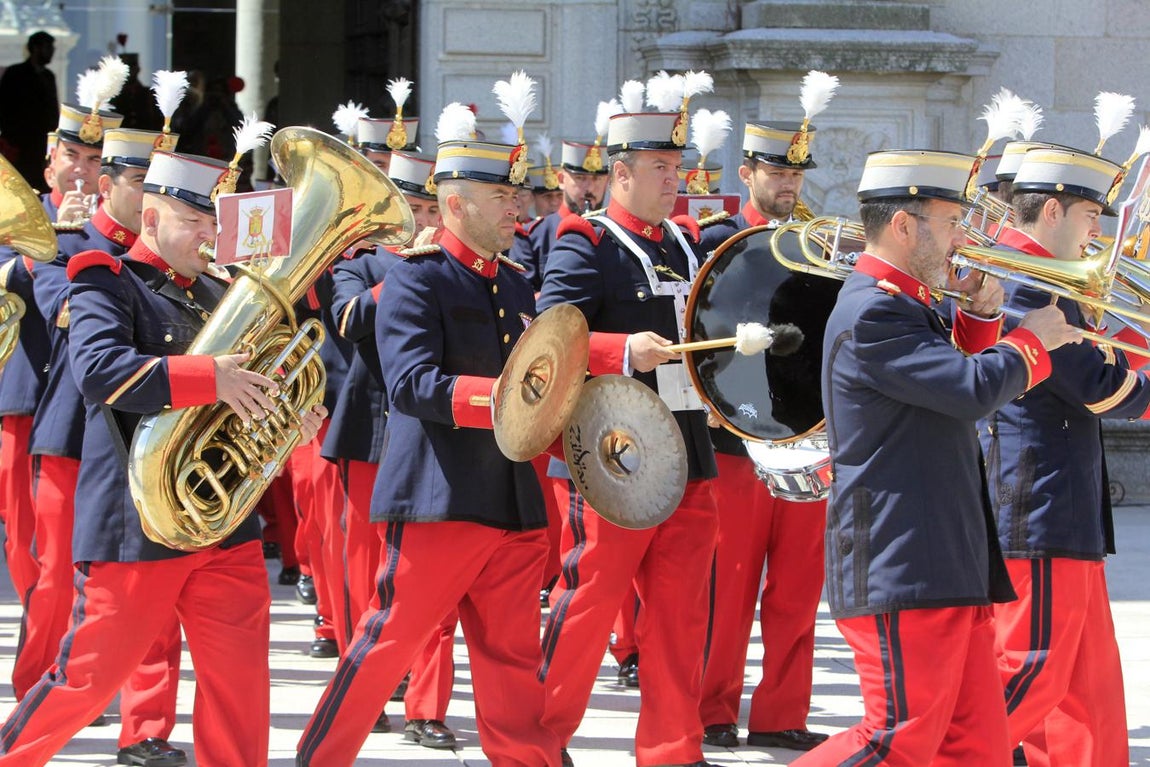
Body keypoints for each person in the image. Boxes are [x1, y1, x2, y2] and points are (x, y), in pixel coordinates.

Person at [0, 149, 325, 765]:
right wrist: (209, 377)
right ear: (150, 219)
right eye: (191, 221)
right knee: (86, 679)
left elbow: (242, 398)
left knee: (240, 689)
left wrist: (287, 418)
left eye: (213, 224)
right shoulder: (104, 276)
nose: (208, 236)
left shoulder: (219, 292)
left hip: (223, 527)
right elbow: (98, 371)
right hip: (136, 523)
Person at [791, 149, 1080, 765]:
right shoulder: (874, 309)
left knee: (975, 746)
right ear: (903, 226)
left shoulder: (905, 302)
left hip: (943, 554)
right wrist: (1032, 342)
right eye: (950, 223)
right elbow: (970, 390)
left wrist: (981, 317)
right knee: (896, 739)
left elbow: (945, 391)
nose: (961, 239)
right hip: (902, 558)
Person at [295, 123, 561, 767]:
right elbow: (412, 385)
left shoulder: (519, 283)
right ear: (454, 205)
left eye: (516, 195)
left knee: (515, 666)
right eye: (501, 198)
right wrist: (503, 401)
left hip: (512, 500)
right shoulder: (416, 279)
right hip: (438, 499)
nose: (517, 207)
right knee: (386, 646)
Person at [536, 84, 724, 767]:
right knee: (588, 605)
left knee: (682, 614)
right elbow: (548, 339)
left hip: (688, 450)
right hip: (612, 451)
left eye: (676, 169)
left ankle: (676, 748)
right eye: (660, 169)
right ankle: (540, 739)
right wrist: (619, 351)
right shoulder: (585, 240)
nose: (674, 182)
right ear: (620, 173)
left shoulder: (687, 239)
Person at [18, 128, 187, 766]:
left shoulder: (180, 266)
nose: (152, 196)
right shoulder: (68, 246)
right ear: (110, 183)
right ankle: (37, 693)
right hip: (72, 432)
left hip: (155, 439)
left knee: (159, 589)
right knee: (56, 577)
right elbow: (65, 314)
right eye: (140, 182)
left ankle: (145, 727)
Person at [978, 145, 1150, 767]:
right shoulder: (1024, 281)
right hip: (1039, 503)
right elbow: (1095, 383)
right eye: (1088, 215)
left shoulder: (1044, 278)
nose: (1097, 232)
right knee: (1033, 670)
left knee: (1088, 686)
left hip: (1064, 501)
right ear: (1051, 210)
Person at [697, 119, 830, 752]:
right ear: (746, 173)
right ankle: (712, 707)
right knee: (730, 584)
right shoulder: (720, 241)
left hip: (803, 432)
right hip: (736, 437)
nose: (788, 184)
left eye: (796, 174)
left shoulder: (817, 244)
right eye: (777, 172)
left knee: (798, 588)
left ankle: (782, 711)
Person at [323, 147, 458, 745]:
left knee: (431, 576)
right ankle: (366, 690)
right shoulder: (359, 263)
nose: (426, 220)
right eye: (414, 208)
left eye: (434, 207)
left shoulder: (458, 268)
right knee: (362, 571)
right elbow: (348, 318)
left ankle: (426, 706)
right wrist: (408, 272)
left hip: (429, 432)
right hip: (367, 428)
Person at [0, 101, 122, 617]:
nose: (82, 167)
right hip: (26, 391)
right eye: (72, 155)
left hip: (83, 401)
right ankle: (42, 626)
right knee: (24, 534)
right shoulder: (18, 209)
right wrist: (49, 245)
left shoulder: (112, 230)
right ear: (50, 161)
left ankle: (65, 642)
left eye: (95, 160)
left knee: (75, 540)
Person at [0, 31, 58, 188]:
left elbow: (52, 109)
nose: (51, 51)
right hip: (21, 145)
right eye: (48, 47)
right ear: (36, 48)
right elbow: (5, 107)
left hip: (43, 144)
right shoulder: (16, 73)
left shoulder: (48, 76)